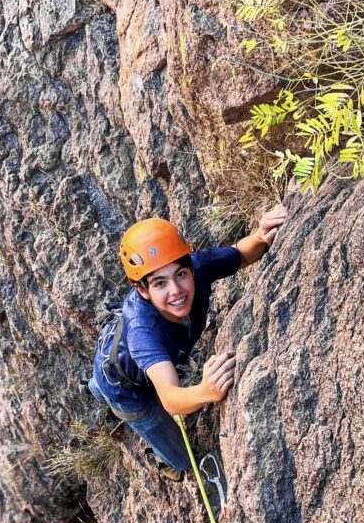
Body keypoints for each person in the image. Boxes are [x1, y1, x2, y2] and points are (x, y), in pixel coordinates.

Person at [89, 205, 288, 480]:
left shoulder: (197, 268)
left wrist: (261, 235)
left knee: (111, 378)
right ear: (141, 290)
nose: (176, 291)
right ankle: (106, 397)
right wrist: (206, 391)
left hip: (123, 353)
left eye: (180, 274)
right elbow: (171, 399)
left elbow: (242, 254)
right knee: (182, 462)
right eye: (160, 283)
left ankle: (96, 387)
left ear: (189, 268)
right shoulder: (143, 332)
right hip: (125, 387)